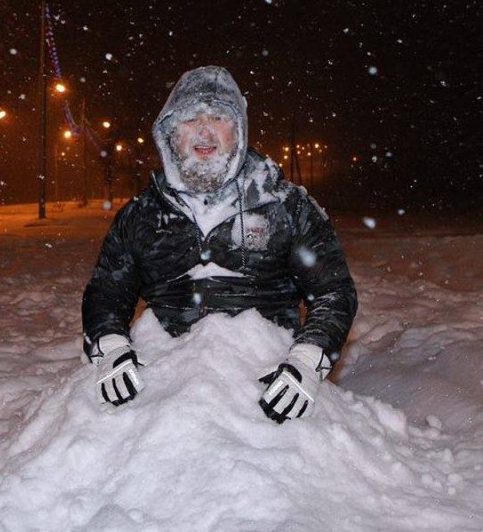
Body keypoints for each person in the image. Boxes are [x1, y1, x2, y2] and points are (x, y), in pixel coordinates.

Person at [82, 66, 357, 424]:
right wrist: (110, 345)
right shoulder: (140, 217)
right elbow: (106, 293)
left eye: (218, 117)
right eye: (190, 119)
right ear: (170, 133)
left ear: (238, 129)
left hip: (271, 387)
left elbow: (333, 291)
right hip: (157, 384)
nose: (205, 131)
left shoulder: (287, 208)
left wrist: (308, 358)